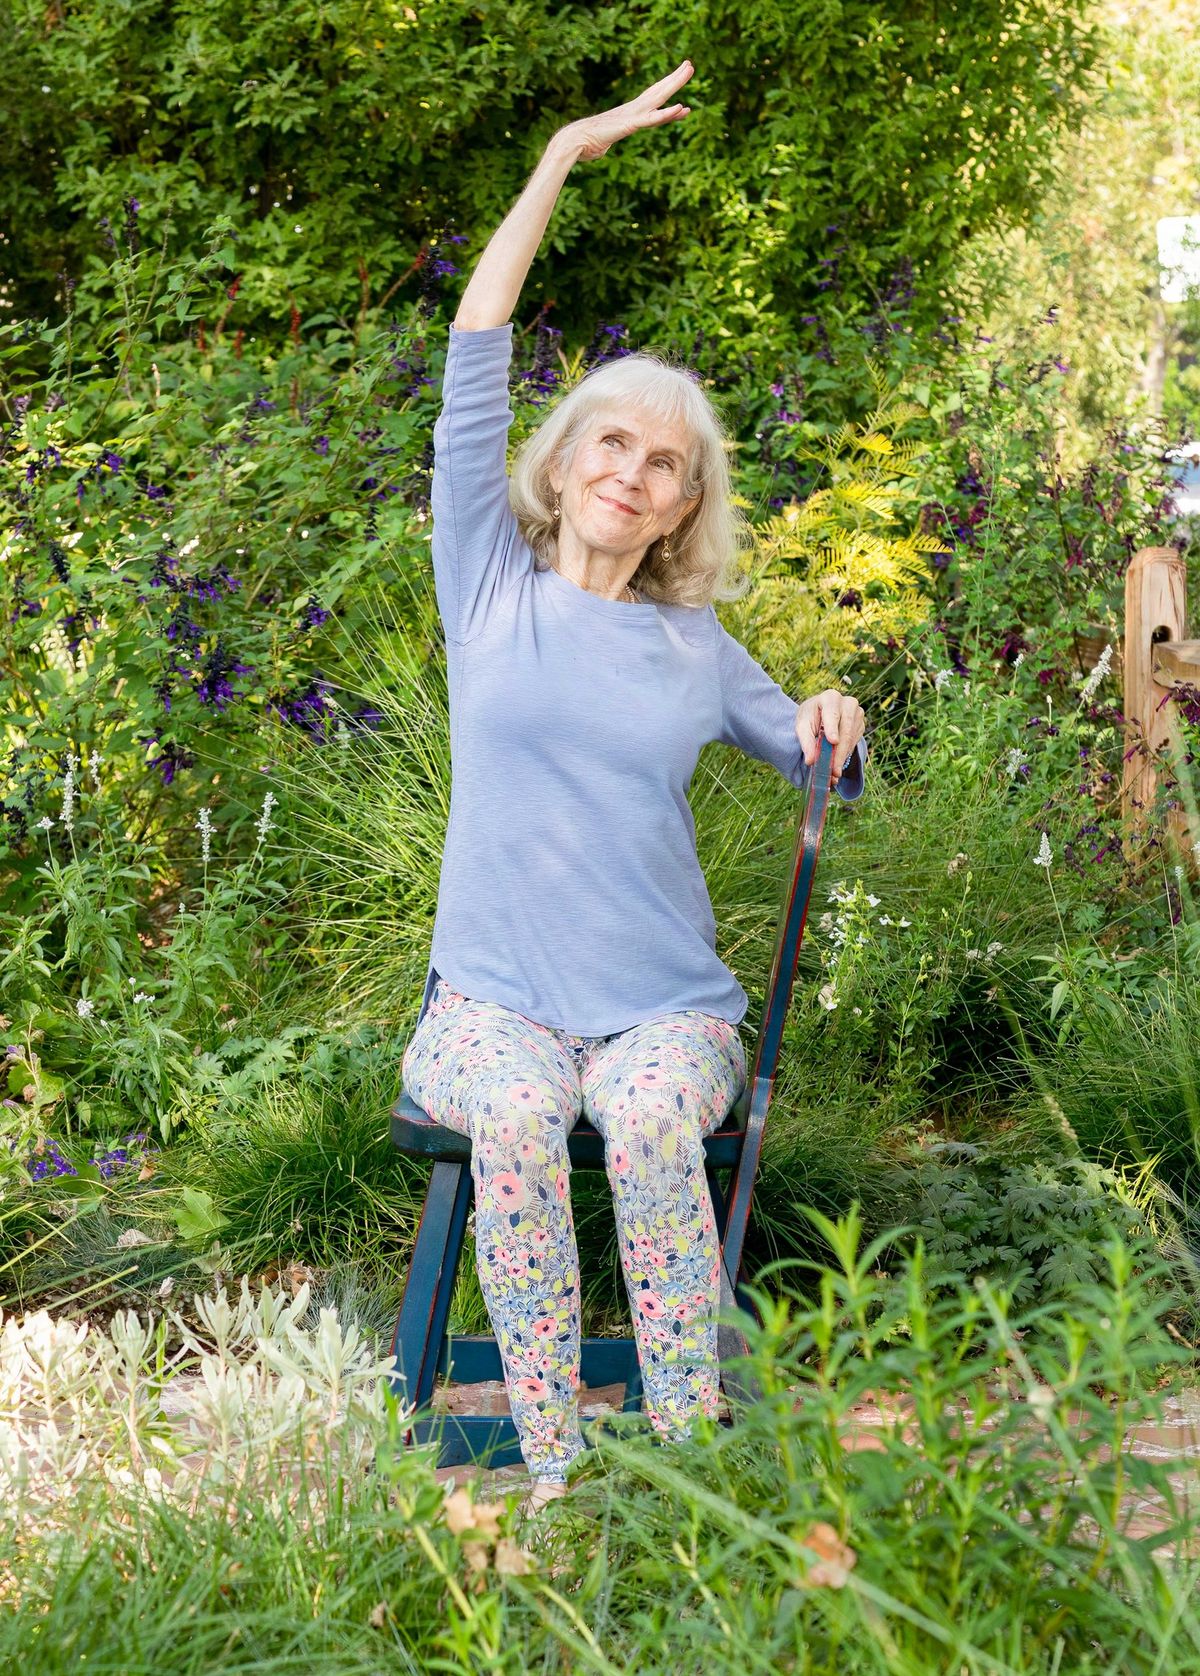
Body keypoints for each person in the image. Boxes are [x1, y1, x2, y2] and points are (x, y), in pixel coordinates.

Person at [401, 58, 867, 1519]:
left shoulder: (692, 643)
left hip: (664, 1010)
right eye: (614, 440)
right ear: (567, 459)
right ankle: (552, 1469)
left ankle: (681, 1463)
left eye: (668, 464)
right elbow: (476, 352)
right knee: (521, 1123)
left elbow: (817, 762)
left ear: (684, 503)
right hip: (490, 1009)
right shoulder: (489, 583)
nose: (635, 471)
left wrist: (835, 720)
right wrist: (558, 157)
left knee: (659, 1123)